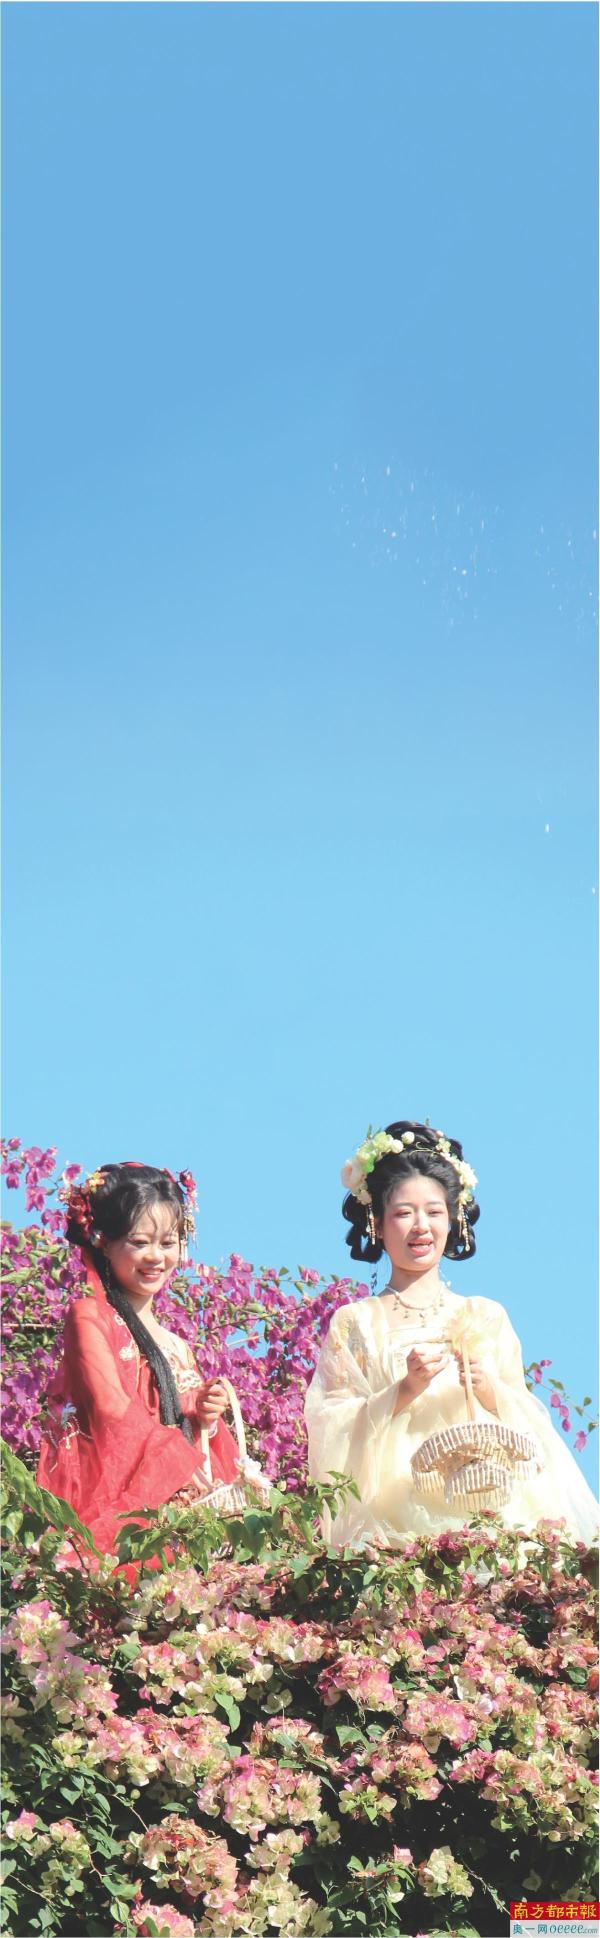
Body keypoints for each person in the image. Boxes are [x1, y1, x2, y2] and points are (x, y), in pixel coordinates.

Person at [304, 1121, 598, 1549]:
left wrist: (489, 1389)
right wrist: (404, 1389)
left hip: (489, 1498)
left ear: (453, 1218)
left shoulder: (485, 1315)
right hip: (396, 1511)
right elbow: (331, 1425)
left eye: (434, 1212)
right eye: (403, 1213)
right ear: (377, 1223)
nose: (420, 1226)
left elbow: (529, 1422)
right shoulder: (356, 1322)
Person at [37, 1162, 251, 1552]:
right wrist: (178, 1464)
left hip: (185, 1521)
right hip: (134, 1522)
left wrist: (204, 1418)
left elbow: (188, 1435)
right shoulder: (89, 1317)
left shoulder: (178, 1346)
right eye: (140, 1242)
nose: (156, 1257)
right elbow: (112, 1413)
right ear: (103, 1241)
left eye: (168, 1243)